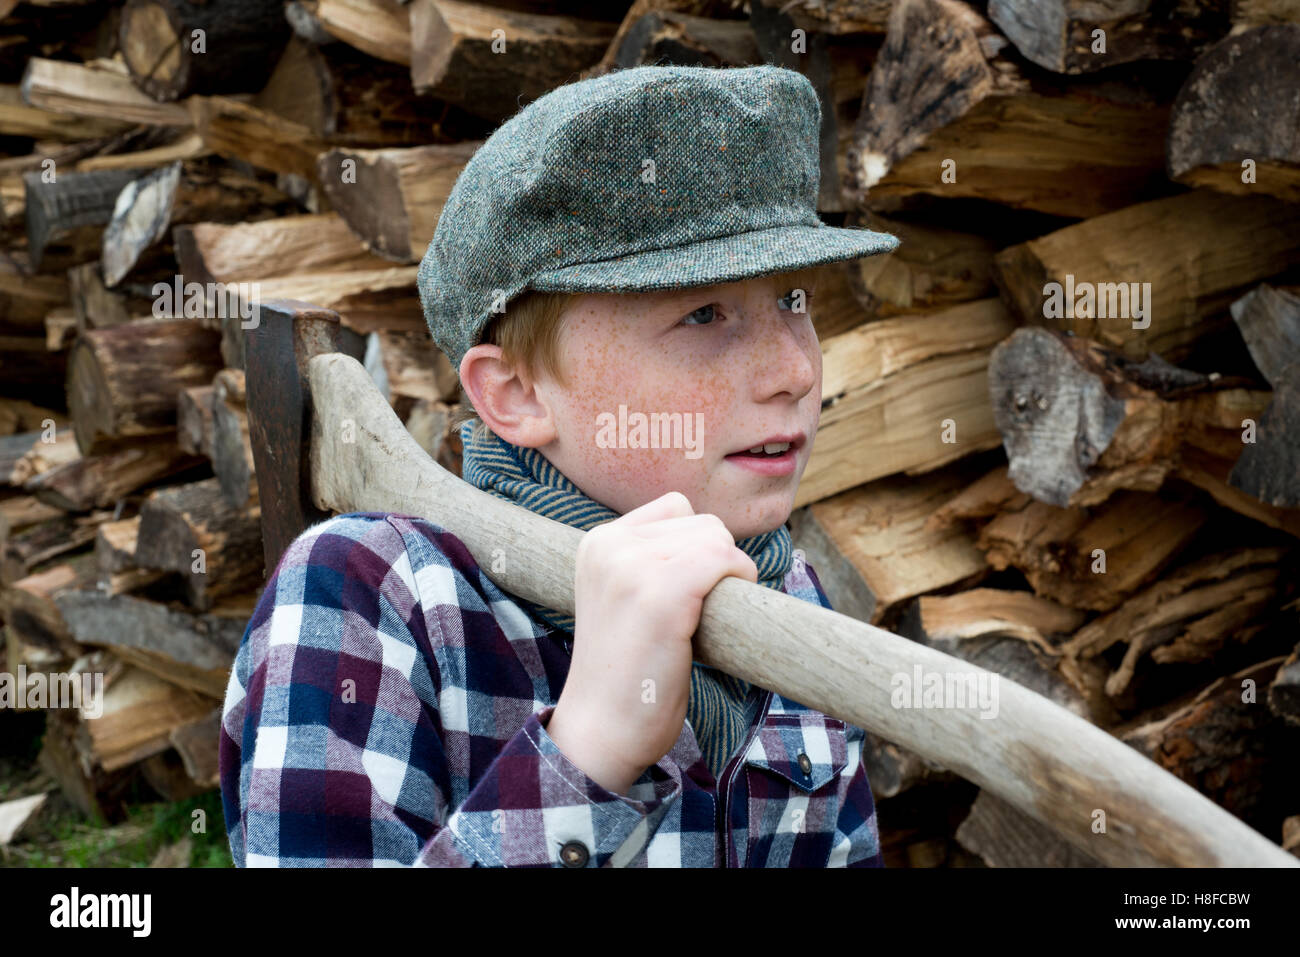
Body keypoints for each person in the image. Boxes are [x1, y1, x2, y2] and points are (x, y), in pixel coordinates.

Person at [219, 63, 900, 867]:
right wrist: (586, 755)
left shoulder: (788, 593)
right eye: (705, 313)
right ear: (514, 393)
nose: (794, 370)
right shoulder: (377, 596)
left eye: (793, 299)